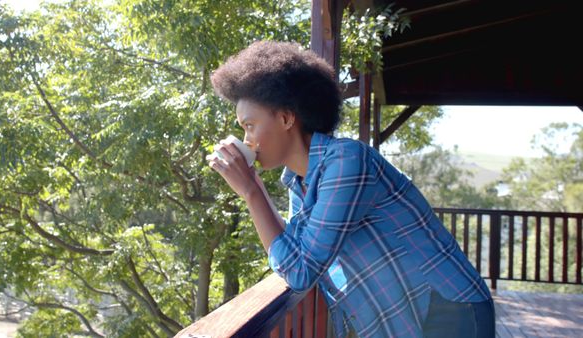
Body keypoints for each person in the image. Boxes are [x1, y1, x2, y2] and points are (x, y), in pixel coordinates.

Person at [206, 41, 494, 338]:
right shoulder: (299, 180)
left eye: (249, 125)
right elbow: (294, 249)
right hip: (411, 318)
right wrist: (254, 186)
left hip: (448, 309)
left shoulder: (346, 161)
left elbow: (301, 272)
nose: (246, 139)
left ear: (286, 118)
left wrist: (252, 191)